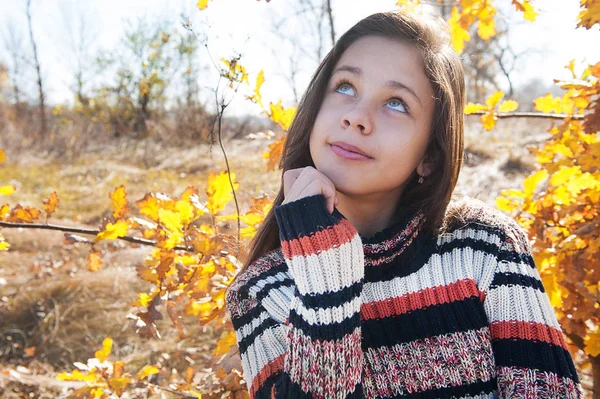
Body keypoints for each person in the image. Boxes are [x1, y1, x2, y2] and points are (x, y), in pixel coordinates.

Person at [224, 10, 583, 399]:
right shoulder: (261, 290)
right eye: (345, 86)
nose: (357, 118)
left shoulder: (485, 249)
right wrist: (325, 288)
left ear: (429, 155)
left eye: (396, 103)